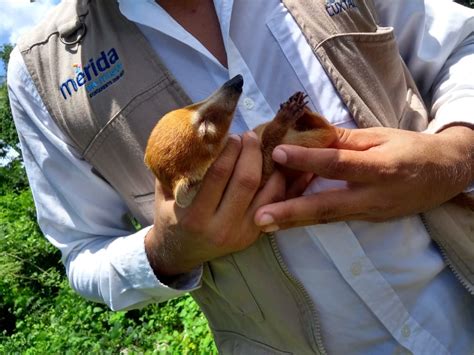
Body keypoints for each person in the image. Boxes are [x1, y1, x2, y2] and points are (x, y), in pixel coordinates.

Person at [8, 0, 474, 353]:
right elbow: (81, 250)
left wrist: (458, 152)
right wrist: (167, 251)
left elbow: (462, 44)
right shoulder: (39, 74)